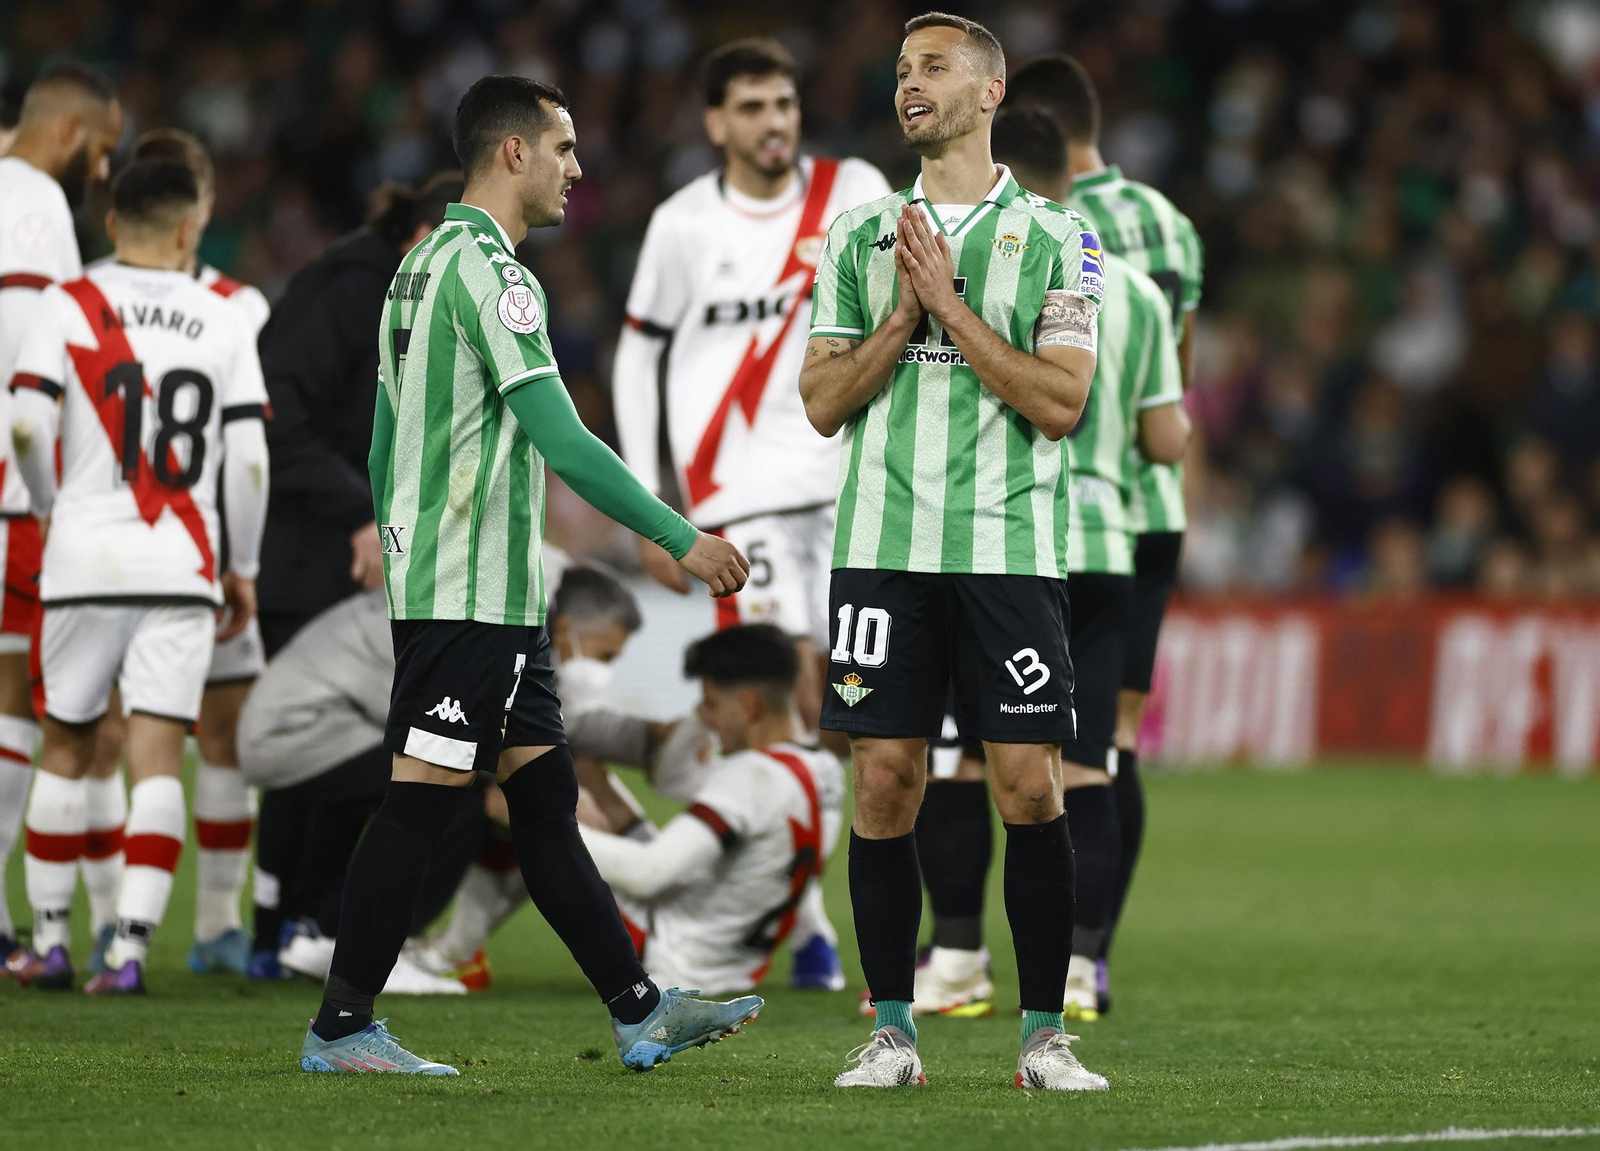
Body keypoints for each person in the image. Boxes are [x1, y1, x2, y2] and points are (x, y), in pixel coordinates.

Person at [296, 74, 756, 1078]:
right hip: (470, 591)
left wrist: (399, 545)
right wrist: (679, 534)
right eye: (563, 148)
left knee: (545, 808)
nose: (576, 170)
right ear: (514, 154)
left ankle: (639, 1009)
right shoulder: (496, 276)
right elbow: (560, 437)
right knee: (420, 797)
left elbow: (382, 444)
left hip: (472, 591)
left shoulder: (415, 271)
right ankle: (340, 1024)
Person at [801, 12, 1108, 1091]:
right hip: (883, 547)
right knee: (884, 780)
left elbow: (1061, 400)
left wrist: (950, 309)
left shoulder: (1064, 239)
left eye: (932, 68)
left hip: (1010, 549)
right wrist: (900, 320)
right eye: (899, 70)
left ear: (990, 92)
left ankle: (1042, 1036)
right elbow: (822, 403)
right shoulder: (853, 236)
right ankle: (891, 1029)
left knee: (1028, 784)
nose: (909, 85)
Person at [613, 39, 885, 994]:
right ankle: (805, 925)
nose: (776, 122)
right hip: (739, 502)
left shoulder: (853, 188)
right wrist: (654, 511)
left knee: (854, 719)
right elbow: (637, 360)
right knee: (786, 697)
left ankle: (802, 910)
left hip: (851, 485)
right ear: (716, 123)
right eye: (754, 107)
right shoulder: (684, 224)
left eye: (786, 103)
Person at [914, 108, 1191, 1020]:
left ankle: (954, 961)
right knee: (1089, 763)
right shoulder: (1137, 292)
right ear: (1071, 173)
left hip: (1011, 539)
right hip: (1110, 545)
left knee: (960, 759)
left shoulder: (999, 265)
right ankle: (1078, 970)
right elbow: (1166, 438)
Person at [4, 158, 270, 994]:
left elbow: (21, 424)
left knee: (68, 743)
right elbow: (252, 460)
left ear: (111, 222)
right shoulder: (224, 313)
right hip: (184, 565)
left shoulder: (67, 302)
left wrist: (52, 512)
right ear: (192, 228)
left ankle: (48, 941)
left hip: (81, 556)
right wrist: (245, 565)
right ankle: (127, 952)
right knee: (160, 754)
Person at [1012, 54, 1205, 1013]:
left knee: (991, 747)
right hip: (1145, 513)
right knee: (1111, 740)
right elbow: (1173, 398)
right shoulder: (1163, 230)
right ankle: (1093, 955)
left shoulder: (1019, 228)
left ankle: (958, 949)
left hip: (1041, 512)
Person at [247, 172, 462, 974]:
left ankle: (296, 923)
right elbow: (276, 413)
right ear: (421, 236)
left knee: (353, 746)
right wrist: (354, 510)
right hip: (310, 552)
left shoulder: (400, 287)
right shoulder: (344, 290)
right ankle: (282, 926)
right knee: (316, 748)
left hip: (372, 544)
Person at [80, 128, 273, 979]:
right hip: (151, 555)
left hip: (205, 550)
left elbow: (252, 445)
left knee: (223, 730)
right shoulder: (85, 301)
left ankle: (218, 925)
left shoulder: (245, 303)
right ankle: (107, 916)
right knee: (108, 733)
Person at [0, 62, 120, 975]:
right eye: (107, 149)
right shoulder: (37, 205)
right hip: (15, 496)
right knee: (23, 705)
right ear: (74, 133)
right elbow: (34, 384)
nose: (107, 172)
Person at [577, 624, 845, 996]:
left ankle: (464, 955)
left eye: (711, 704)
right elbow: (673, 781)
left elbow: (647, 874)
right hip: (735, 966)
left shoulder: (753, 775)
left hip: (669, 955)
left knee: (530, 812)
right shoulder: (825, 769)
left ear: (749, 705)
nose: (705, 716)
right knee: (584, 788)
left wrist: (543, 827)